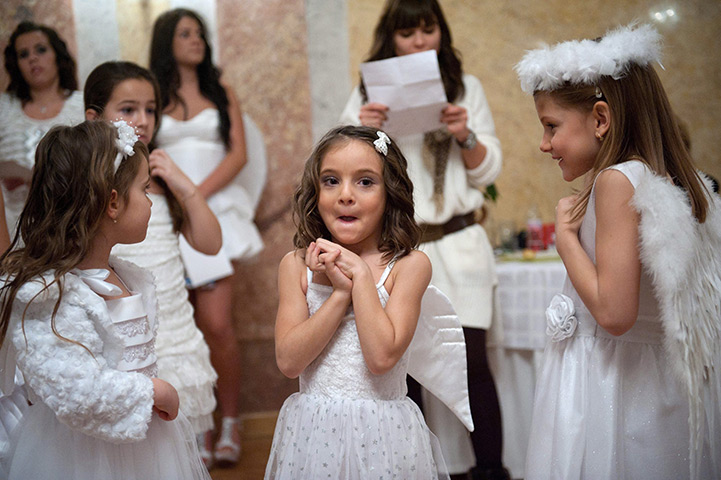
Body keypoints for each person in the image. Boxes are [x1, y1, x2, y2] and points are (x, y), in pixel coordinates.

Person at [515, 24, 721, 479]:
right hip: (657, 382)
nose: (544, 144)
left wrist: (566, 240)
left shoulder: (615, 182)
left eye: (551, 127)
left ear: (601, 119)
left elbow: (614, 313)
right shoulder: (671, 181)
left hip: (613, 384)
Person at [339, 1, 506, 478]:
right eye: (407, 32)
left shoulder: (465, 88)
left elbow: (490, 171)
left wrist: (466, 136)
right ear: (391, 38)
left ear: (441, 32)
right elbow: (340, 171)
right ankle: (417, 470)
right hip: (397, 248)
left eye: (427, 29)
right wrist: (363, 132)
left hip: (460, 242)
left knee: (472, 362)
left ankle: (490, 469)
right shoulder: (366, 93)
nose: (418, 41)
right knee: (403, 366)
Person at [0, 120, 211, 479]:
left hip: (144, 446)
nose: (149, 202)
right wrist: (153, 393)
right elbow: (76, 390)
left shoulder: (127, 276)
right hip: (80, 457)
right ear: (113, 203)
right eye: (144, 190)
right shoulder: (49, 296)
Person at [266, 125, 451, 479]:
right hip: (314, 435)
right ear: (315, 192)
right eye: (331, 180)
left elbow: (381, 357)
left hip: (384, 436)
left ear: (390, 194)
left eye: (365, 182)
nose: (345, 195)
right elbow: (289, 361)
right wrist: (339, 294)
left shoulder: (409, 267)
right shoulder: (295, 265)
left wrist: (362, 279)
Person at [84, 61, 221, 467]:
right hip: (120, 333)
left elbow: (210, 244)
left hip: (174, 332)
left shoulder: (159, 180)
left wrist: (182, 184)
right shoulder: (86, 184)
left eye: (150, 109)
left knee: (175, 457)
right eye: (127, 109)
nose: (142, 120)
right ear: (94, 117)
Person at [150, 8, 263, 466]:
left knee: (217, 326)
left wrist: (194, 193)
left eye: (199, 33)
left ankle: (231, 424)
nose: (196, 39)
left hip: (213, 212)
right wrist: (172, 200)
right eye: (185, 33)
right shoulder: (153, 95)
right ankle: (196, 426)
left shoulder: (222, 91)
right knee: (180, 328)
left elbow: (239, 154)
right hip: (164, 219)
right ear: (166, 41)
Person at [0, 21, 84, 236]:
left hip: (72, 221)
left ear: (57, 55)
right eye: (23, 54)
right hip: (12, 224)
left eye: (41, 49)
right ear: (16, 64)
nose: (33, 58)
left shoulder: (82, 104)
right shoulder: (4, 107)